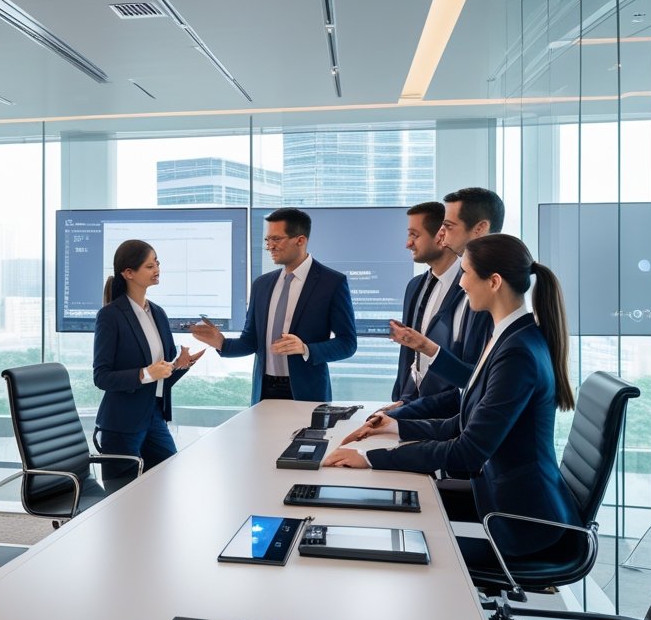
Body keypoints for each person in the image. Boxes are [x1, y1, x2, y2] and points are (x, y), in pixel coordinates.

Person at [324, 234, 579, 561]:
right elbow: (465, 422)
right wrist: (395, 428)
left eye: (467, 273)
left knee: (406, 546)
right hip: (503, 499)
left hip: (523, 522)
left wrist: (372, 458)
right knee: (395, 508)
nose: (461, 283)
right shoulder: (508, 337)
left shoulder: (517, 352)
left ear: (494, 282)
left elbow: (468, 452)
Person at [190, 208, 356, 403]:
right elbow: (250, 342)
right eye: (268, 240)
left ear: (300, 240)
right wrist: (221, 343)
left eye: (276, 239)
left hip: (307, 393)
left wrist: (305, 348)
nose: (270, 246)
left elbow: (347, 344)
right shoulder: (262, 285)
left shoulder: (331, 283)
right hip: (264, 391)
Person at [384, 186, 504, 421]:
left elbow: (473, 382)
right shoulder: (417, 285)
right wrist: (402, 404)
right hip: (421, 413)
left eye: (448, 227)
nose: (443, 235)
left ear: (480, 228)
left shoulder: (487, 295)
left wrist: (406, 415)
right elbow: (412, 361)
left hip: (450, 420)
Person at [93, 239, 202, 488]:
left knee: (167, 484)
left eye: (157, 264)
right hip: (121, 423)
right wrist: (145, 373)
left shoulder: (159, 313)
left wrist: (180, 365)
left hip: (154, 415)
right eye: (149, 266)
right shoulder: (110, 316)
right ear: (128, 273)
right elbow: (102, 377)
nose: (157, 270)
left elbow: (160, 375)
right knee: (121, 500)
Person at [390, 201, 462, 405]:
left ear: (440, 236)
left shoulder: (471, 287)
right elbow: (409, 353)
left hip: (451, 414)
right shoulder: (415, 286)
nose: (408, 243)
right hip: (412, 406)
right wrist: (402, 399)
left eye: (414, 235)